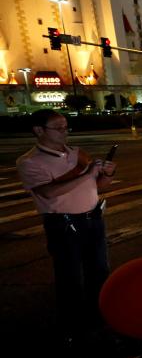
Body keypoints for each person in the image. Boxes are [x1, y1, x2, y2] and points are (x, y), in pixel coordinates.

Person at [17, 109, 116, 344]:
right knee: (70, 276)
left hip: (93, 218)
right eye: (58, 127)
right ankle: (74, 327)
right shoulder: (30, 161)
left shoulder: (78, 153)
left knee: (99, 271)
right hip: (63, 223)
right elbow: (49, 192)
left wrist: (108, 174)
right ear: (38, 130)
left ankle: (100, 317)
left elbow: (98, 185)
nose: (64, 132)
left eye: (66, 127)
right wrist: (88, 173)